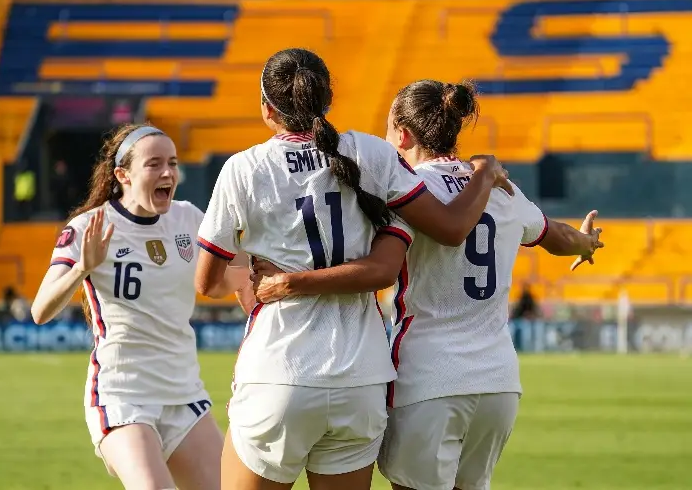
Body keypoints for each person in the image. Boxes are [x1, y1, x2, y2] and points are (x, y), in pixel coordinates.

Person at [247, 79, 604, 490]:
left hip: (429, 378)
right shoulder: (499, 188)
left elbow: (369, 262)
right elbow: (555, 235)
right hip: (498, 383)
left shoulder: (405, 193)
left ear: (402, 133)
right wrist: (587, 243)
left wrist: (287, 278)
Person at [194, 48, 511, 490]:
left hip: (280, 371)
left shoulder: (244, 169)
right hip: (361, 379)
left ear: (267, 109)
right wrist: (484, 172)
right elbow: (449, 228)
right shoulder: (374, 154)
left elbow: (207, 281)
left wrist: (258, 280)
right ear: (328, 100)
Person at [30, 123, 248, 490]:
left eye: (173, 163)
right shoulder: (90, 227)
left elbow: (221, 285)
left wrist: (247, 255)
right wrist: (82, 269)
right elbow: (40, 310)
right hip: (123, 395)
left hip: (184, 393)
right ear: (123, 175)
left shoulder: (188, 218)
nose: (167, 173)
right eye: (154, 164)